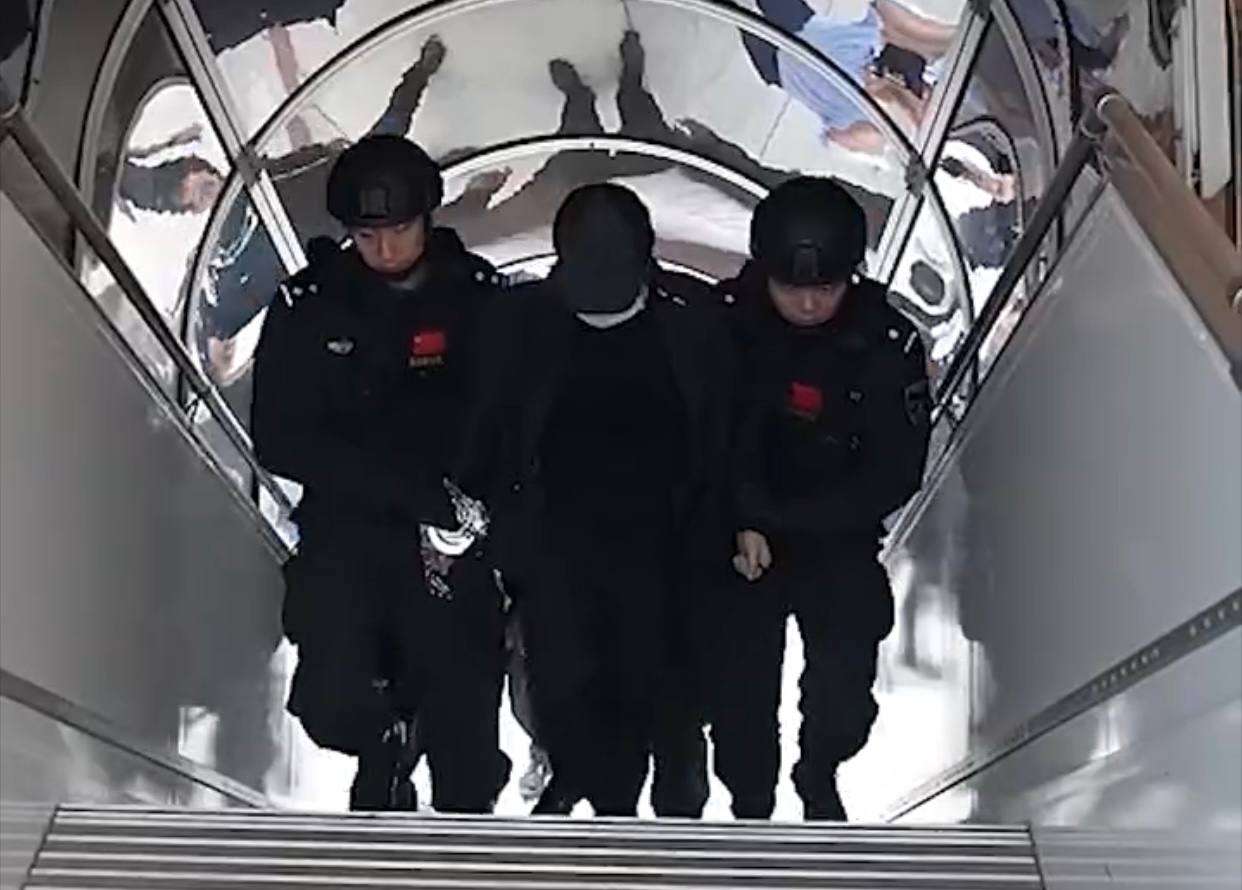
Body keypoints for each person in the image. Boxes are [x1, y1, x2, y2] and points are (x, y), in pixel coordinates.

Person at [250, 134, 511, 812]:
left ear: (427, 219)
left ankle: (461, 826)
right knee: (332, 700)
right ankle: (386, 743)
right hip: (350, 526)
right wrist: (387, 485)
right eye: (368, 236)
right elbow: (277, 437)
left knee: (466, 741)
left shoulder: (479, 298)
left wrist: (480, 509)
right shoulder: (311, 304)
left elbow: (512, 420)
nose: (386, 249)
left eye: (399, 230)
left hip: (451, 534)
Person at [458, 183, 734, 818]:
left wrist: (727, 522)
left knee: (660, 676)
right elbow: (486, 426)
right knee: (563, 674)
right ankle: (587, 783)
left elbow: (723, 429)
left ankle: (662, 796)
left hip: (665, 537)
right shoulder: (518, 323)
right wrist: (479, 523)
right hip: (555, 534)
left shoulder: (691, 321)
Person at [708, 176, 931, 820]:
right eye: (791, 288)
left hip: (837, 534)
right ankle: (751, 799)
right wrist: (745, 514)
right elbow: (705, 438)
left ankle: (819, 772)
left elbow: (896, 469)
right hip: (739, 534)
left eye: (826, 289)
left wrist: (787, 521)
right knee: (738, 689)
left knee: (844, 691)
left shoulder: (886, 342)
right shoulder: (722, 325)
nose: (808, 303)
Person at [741, 0, 956, 153]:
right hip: (801, 25)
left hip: (777, 65)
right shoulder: (891, 45)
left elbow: (851, 137)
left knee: (740, 13)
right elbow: (895, 17)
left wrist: (890, 102)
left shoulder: (877, 126)